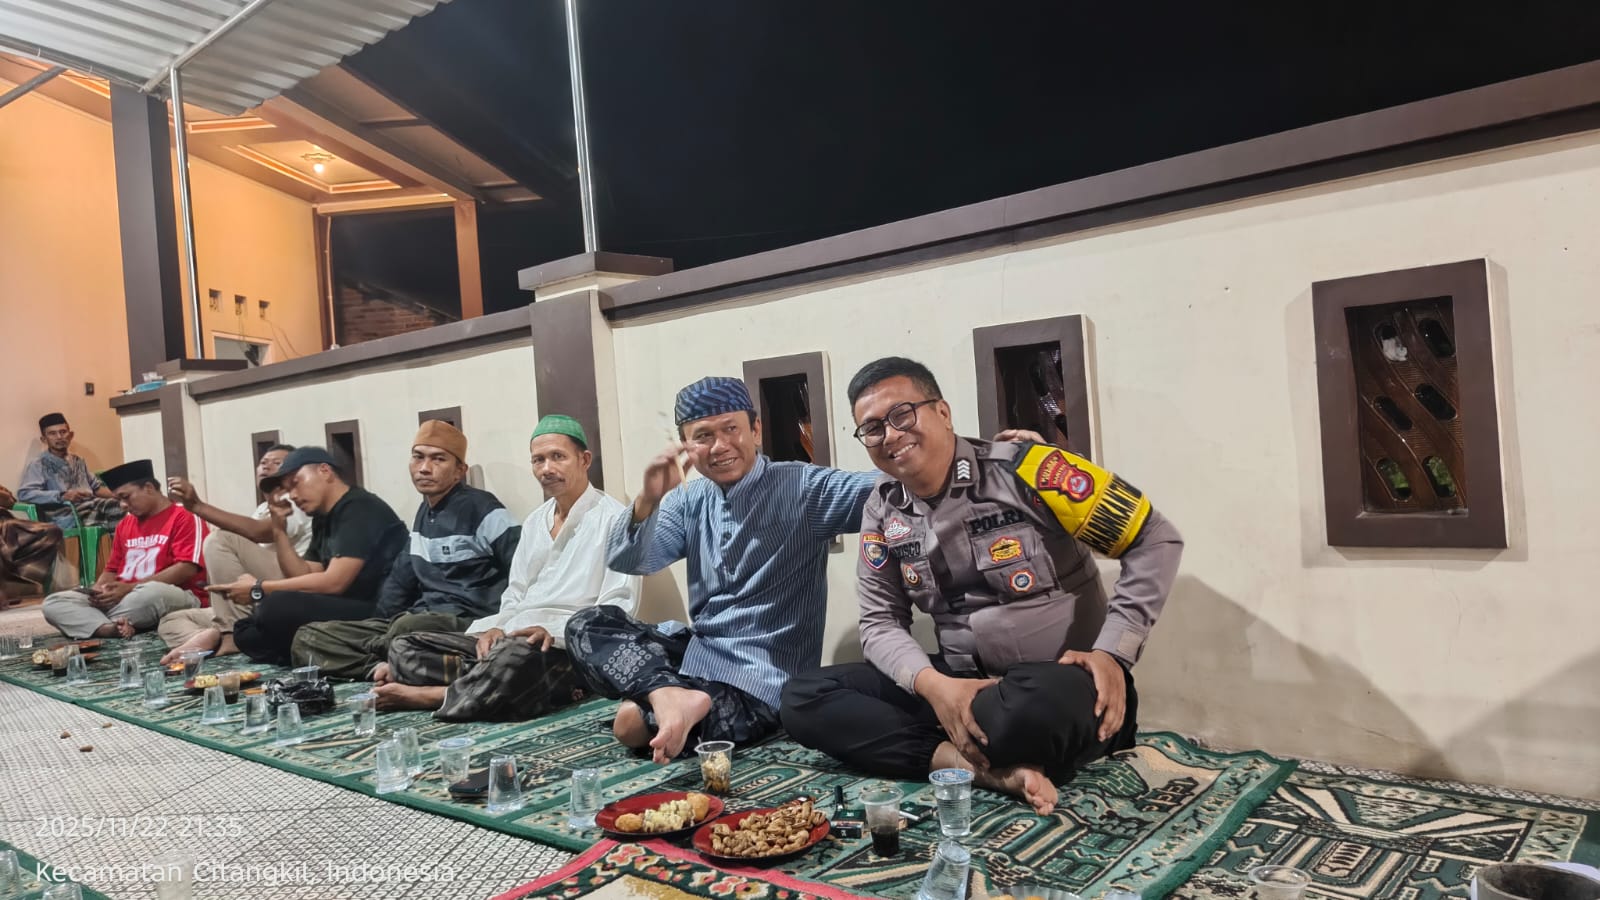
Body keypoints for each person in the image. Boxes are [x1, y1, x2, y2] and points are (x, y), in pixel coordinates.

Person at [780, 358, 1184, 815]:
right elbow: (879, 622)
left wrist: (1112, 654)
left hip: (1058, 686)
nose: (890, 435)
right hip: (959, 685)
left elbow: (1155, 539)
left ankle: (960, 739)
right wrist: (934, 687)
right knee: (803, 698)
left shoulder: (1031, 468)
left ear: (943, 413)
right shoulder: (882, 509)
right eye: (872, 429)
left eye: (902, 415)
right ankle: (974, 766)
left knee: (1030, 708)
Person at [564, 377, 878, 764]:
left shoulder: (803, 487)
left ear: (756, 429)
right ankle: (667, 694)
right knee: (585, 624)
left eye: (731, 429)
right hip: (699, 653)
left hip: (761, 682)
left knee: (629, 724)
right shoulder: (689, 499)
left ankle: (664, 697)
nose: (719, 446)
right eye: (703, 436)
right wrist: (648, 500)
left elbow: (884, 488)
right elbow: (628, 562)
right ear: (685, 446)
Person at [376, 415, 641, 721]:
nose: (546, 469)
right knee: (404, 646)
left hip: (565, 646)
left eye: (558, 457)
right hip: (515, 637)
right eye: (538, 460)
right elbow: (515, 592)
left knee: (515, 658)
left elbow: (617, 608)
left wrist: (553, 632)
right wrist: (497, 628)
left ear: (584, 460)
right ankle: (490, 683)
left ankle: (434, 695)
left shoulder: (616, 520)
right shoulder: (535, 522)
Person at [289, 421, 521, 681]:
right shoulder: (425, 513)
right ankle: (385, 666)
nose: (424, 468)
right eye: (418, 457)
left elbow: (524, 567)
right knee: (308, 637)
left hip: (470, 622)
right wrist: (376, 625)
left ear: (459, 471)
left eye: (438, 459)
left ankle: (396, 659)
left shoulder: (482, 508)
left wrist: (502, 624)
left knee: (406, 627)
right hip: (417, 622)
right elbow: (399, 582)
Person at [197, 446, 407, 665]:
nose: (293, 495)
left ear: (324, 471)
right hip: (345, 605)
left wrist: (259, 588)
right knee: (245, 632)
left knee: (275, 608)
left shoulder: (359, 507)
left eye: (296, 483)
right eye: (288, 490)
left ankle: (308, 649)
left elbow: (335, 583)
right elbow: (303, 572)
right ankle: (307, 648)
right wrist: (278, 529)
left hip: (379, 612)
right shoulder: (323, 517)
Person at [155, 445, 313, 656]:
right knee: (171, 620)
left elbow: (257, 532)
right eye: (263, 463)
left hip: (287, 586)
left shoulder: (295, 502)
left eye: (277, 463)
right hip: (254, 594)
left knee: (219, 540)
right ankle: (212, 636)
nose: (267, 467)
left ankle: (231, 634)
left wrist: (198, 506)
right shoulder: (262, 509)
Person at [41, 460, 205, 639]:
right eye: (118, 500)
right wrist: (99, 592)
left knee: (152, 594)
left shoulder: (184, 515)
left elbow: (187, 568)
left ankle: (94, 623)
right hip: (123, 598)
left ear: (149, 488)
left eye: (125, 497)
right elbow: (112, 569)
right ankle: (110, 628)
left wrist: (129, 588)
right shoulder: (125, 524)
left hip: (168, 595)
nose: (122, 505)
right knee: (53, 603)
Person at [18, 413, 123, 529]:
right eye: (52, 433)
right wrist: (62, 495)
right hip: (65, 514)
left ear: (70, 435)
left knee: (121, 506)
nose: (59, 437)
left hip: (91, 505)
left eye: (63, 432)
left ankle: (120, 539)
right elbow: (25, 494)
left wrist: (122, 495)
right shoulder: (38, 464)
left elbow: (96, 488)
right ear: (44, 439)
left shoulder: (78, 460)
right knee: (103, 518)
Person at [0, 484, 63, 610]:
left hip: (5, 521)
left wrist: (4, 495)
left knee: (51, 531)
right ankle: (7, 585)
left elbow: (10, 500)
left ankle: (18, 581)